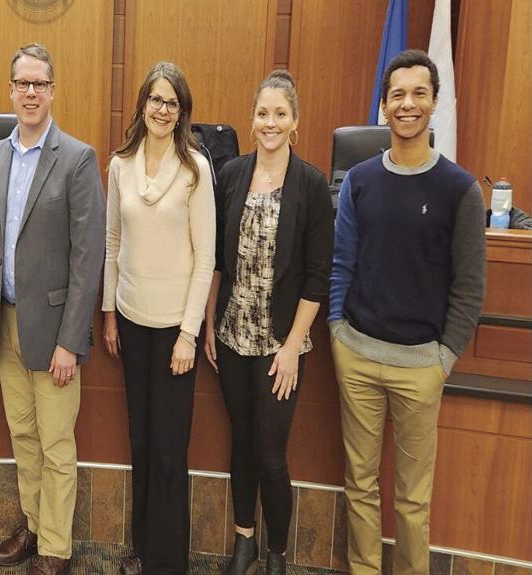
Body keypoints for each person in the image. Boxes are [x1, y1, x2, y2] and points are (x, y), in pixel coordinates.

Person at [328, 49, 486, 575]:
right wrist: (336, 329)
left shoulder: (459, 190)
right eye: (397, 94)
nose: (408, 104)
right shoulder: (360, 180)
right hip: (358, 356)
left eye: (419, 93)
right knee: (361, 486)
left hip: (421, 366)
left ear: (434, 103)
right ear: (384, 104)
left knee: (413, 502)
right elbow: (341, 262)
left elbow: (469, 289)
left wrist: (443, 359)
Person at [0, 42, 106, 575]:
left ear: (52, 90)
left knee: (55, 443)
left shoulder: (77, 158)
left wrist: (72, 340)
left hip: (53, 331)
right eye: (22, 83)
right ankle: (32, 522)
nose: (30, 92)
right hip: (4, 323)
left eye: (39, 84)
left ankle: (56, 548)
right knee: (23, 435)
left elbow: (87, 259)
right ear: (11, 90)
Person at [203, 70, 334, 575]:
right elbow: (218, 258)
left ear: (295, 122)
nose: (270, 122)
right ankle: (245, 542)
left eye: (280, 114)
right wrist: (212, 319)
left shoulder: (311, 184)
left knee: (272, 453)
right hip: (234, 338)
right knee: (241, 440)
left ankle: (277, 551)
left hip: (281, 346)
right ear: (251, 118)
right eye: (263, 113)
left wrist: (292, 346)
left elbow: (317, 277)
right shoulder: (232, 175)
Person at [101, 61, 215, 575]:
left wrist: (189, 332)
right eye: (155, 99)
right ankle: (145, 551)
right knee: (142, 441)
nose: (163, 110)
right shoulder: (120, 165)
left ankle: (169, 564)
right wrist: (108, 313)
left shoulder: (195, 167)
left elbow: (206, 257)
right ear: (142, 104)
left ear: (181, 111)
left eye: (172, 102)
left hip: (175, 330)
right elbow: (112, 242)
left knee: (170, 449)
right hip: (130, 319)